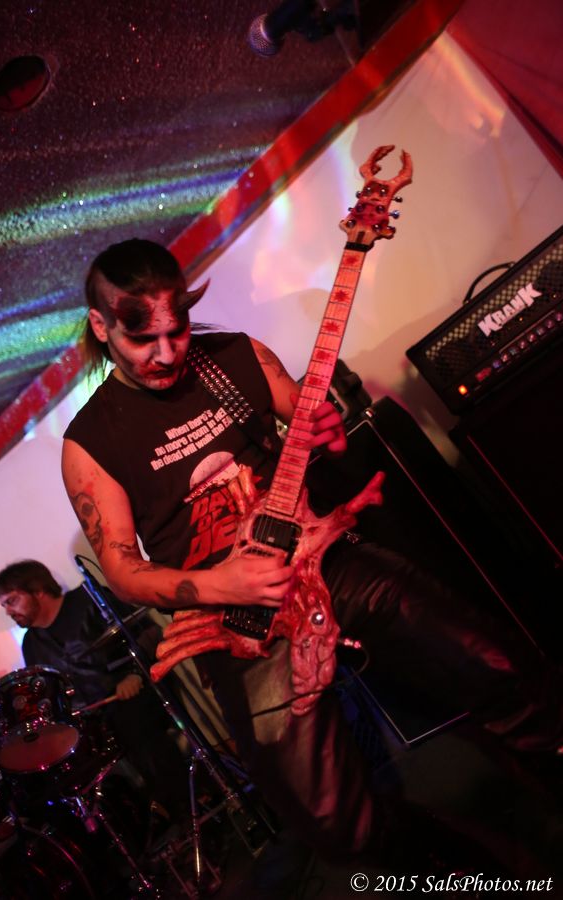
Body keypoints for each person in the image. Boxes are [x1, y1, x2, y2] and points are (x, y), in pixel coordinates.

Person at [60, 238, 561, 862]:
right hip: (236, 620)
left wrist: (321, 424)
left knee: (492, 660)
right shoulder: (91, 440)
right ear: (101, 326)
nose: (167, 353)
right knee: (334, 823)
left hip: (323, 560)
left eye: (177, 330)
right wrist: (224, 585)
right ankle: (465, 873)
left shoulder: (234, 356)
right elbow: (122, 569)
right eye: (143, 339)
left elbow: (312, 421)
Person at [0, 559, 188, 822]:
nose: (8, 611)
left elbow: (150, 633)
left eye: (12, 601)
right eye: (3, 605)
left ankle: (186, 809)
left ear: (38, 591)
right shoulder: (32, 644)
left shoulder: (88, 600)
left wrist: (134, 674)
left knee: (130, 722)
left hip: (141, 694)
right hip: (94, 722)